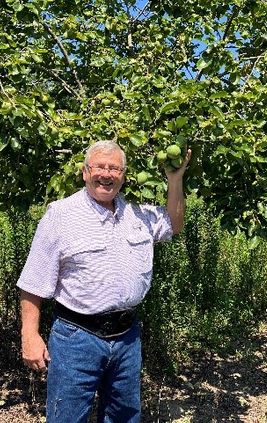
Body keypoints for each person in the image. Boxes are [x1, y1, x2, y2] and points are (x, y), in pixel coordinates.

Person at [17, 140, 191, 423]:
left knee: (123, 417)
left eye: (114, 168)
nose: (106, 174)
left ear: (123, 175)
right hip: (77, 339)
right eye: (99, 167)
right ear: (85, 172)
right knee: (67, 418)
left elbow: (174, 223)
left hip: (127, 339)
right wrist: (29, 336)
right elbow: (33, 281)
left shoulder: (137, 213)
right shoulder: (61, 215)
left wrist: (175, 179)